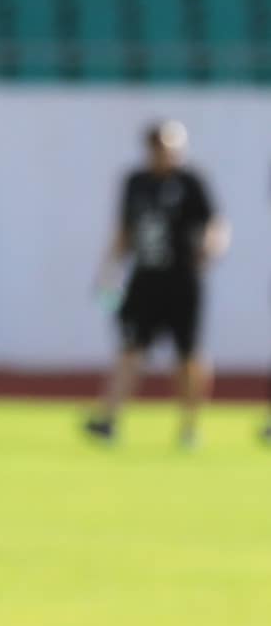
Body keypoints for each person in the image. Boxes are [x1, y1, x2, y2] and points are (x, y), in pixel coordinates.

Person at [86, 120, 228, 446]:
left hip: (183, 280)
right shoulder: (135, 182)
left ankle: (190, 426)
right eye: (162, 147)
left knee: (188, 355)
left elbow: (215, 222)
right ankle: (108, 419)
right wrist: (109, 270)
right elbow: (124, 230)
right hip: (145, 278)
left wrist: (212, 247)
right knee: (130, 349)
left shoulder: (190, 182)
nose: (169, 154)